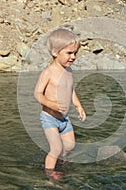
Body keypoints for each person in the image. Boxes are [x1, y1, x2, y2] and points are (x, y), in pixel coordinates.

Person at [34, 28, 86, 180]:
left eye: (75, 53)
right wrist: (51, 104)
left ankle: (59, 161)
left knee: (69, 146)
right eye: (69, 53)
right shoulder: (49, 72)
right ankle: (49, 175)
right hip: (49, 118)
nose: (73, 57)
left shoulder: (68, 71)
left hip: (64, 119)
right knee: (56, 148)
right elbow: (37, 94)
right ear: (56, 52)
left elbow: (71, 90)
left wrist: (78, 105)